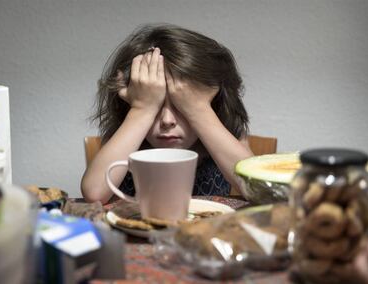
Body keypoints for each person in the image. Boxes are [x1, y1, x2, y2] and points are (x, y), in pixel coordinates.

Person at [81, 23, 253, 204]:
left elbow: (255, 188)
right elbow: (94, 193)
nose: (167, 120)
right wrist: (141, 110)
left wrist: (198, 110)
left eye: (181, 106)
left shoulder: (224, 127)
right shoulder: (127, 134)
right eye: (155, 108)